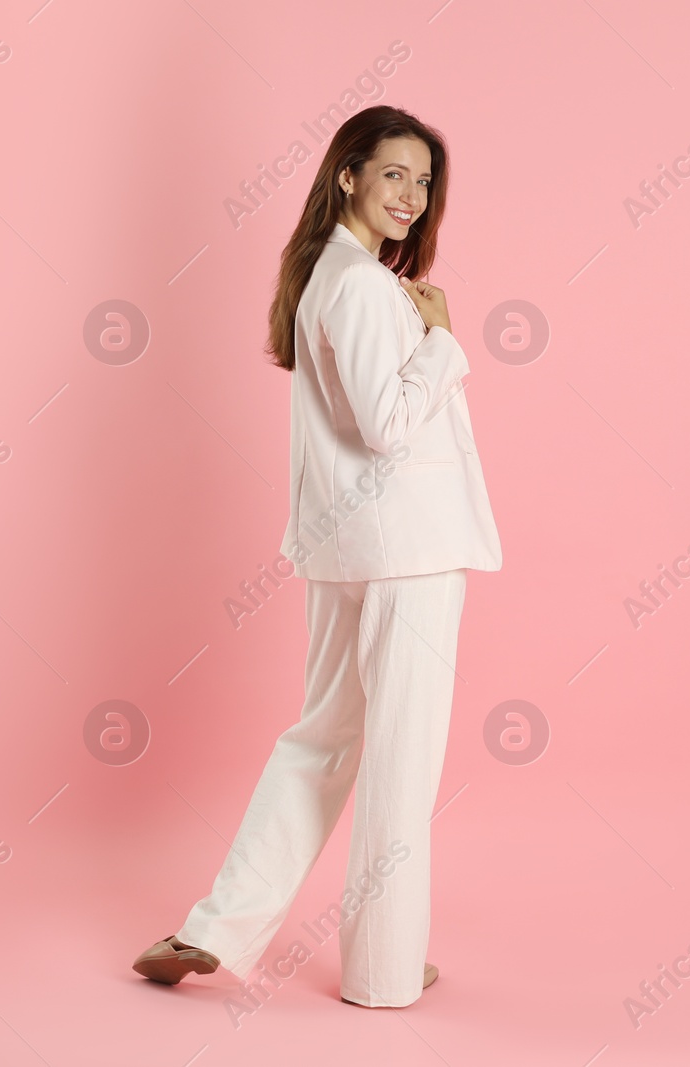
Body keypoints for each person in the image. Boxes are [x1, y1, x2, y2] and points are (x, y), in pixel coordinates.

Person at [132, 104, 502, 1009]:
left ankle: (215, 929)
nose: (412, 197)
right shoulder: (371, 289)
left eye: (424, 181)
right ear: (348, 175)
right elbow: (388, 426)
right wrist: (446, 339)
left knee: (322, 742)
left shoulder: (327, 278)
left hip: (346, 549)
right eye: (394, 175)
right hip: (406, 554)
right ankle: (381, 969)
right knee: (397, 764)